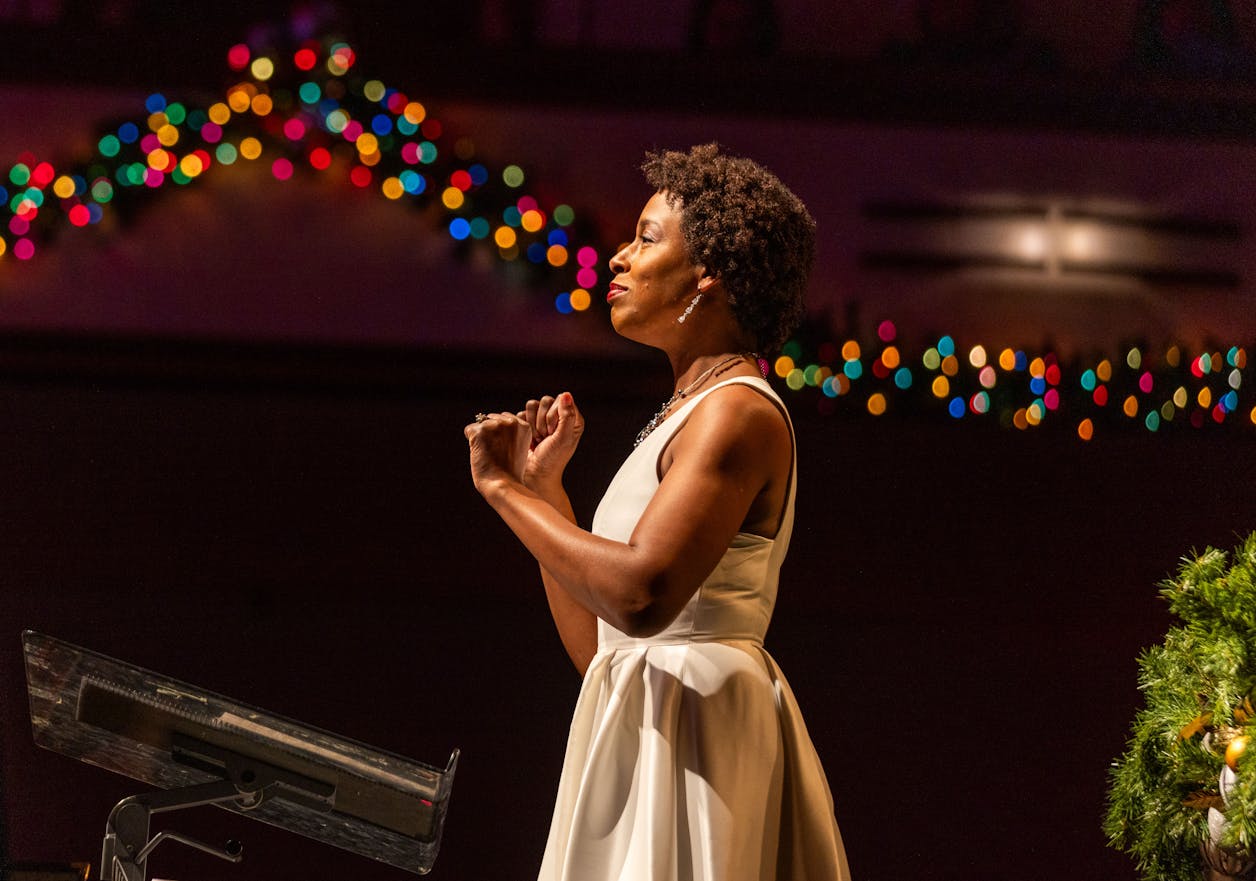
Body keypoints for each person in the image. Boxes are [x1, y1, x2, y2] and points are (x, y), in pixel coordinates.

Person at [464, 144, 850, 881]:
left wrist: (504, 492)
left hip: (701, 731)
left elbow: (641, 595)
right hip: (643, 719)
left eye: (645, 238)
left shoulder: (736, 411)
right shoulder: (686, 411)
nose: (618, 257)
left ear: (709, 273)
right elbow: (603, 649)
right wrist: (546, 495)